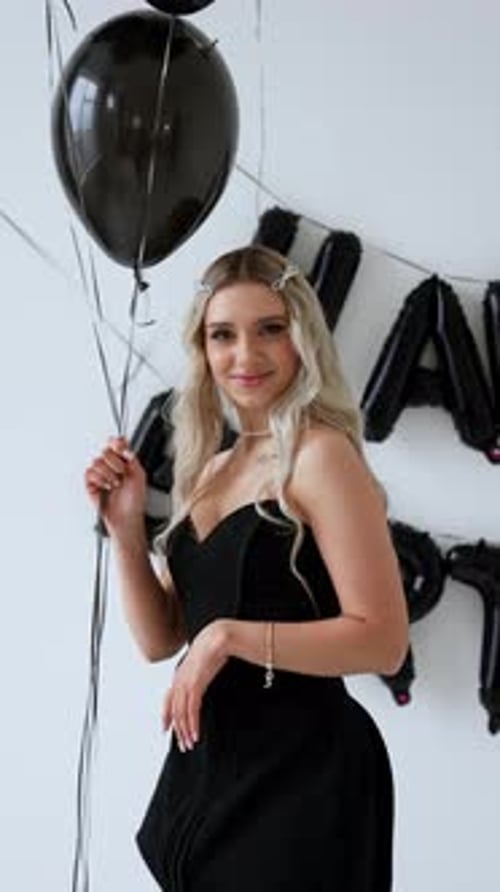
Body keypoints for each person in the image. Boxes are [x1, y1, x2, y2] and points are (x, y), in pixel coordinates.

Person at [84, 244, 409, 892]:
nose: (245, 354)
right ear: (202, 348)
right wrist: (126, 530)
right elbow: (160, 639)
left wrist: (229, 638)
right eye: (222, 335)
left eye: (270, 329)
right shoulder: (210, 469)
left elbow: (384, 641)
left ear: (302, 338)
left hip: (302, 774)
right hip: (209, 774)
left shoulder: (321, 456)